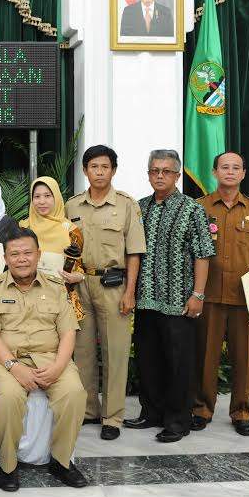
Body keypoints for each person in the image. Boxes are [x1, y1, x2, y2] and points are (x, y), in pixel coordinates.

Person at [0, 228, 88, 491]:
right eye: (14, 254)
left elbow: (68, 331)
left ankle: (61, 462)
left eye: (28, 253)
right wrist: (14, 368)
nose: (22, 259)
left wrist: (60, 366)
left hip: (51, 357)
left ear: (38, 255)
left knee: (74, 392)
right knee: (7, 398)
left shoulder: (56, 287)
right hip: (4, 360)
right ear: (5, 258)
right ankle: (7, 465)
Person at [124, 149, 215, 443]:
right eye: (154, 171)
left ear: (177, 175)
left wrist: (198, 294)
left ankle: (178, 420)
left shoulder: (192, 209)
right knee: (149, 360)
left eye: (166, 171)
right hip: (146, 299)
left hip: (179, 300)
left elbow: (203, 254)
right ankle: (152, 413)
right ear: (148, 174)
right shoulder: (139, 208)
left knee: (179, 362)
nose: (159, 176)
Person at [192, 151, 249, 437]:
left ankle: (241, 412)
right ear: (214, 172)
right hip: (210, 295)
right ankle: (202, 409)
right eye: (224, 167)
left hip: (248, 295)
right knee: (206, 356)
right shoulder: (199, 207)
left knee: (244, 358)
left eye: (236, 167)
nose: (230, 172)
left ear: (243, 174)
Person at [65, 146, 146, 440]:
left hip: (114, 285)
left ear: (113, 170)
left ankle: (112, 417)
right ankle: (89, 410)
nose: (99, 172)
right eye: (93, 167)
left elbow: (135, 251)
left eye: (105, 167)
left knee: (116, 351)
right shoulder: (72, 206)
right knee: (82, 351)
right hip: (79, 284)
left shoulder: (126, 205)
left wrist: (130, 291)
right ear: (85, 170)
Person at [19, 176, 86, 319]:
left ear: (56, 197)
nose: (42, 201)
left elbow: (80, 267)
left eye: (47, 196)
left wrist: (76, 276)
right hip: (26, 300)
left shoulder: (71, 231)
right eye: (37, 196)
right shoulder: (22, 228)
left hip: (60, 301)